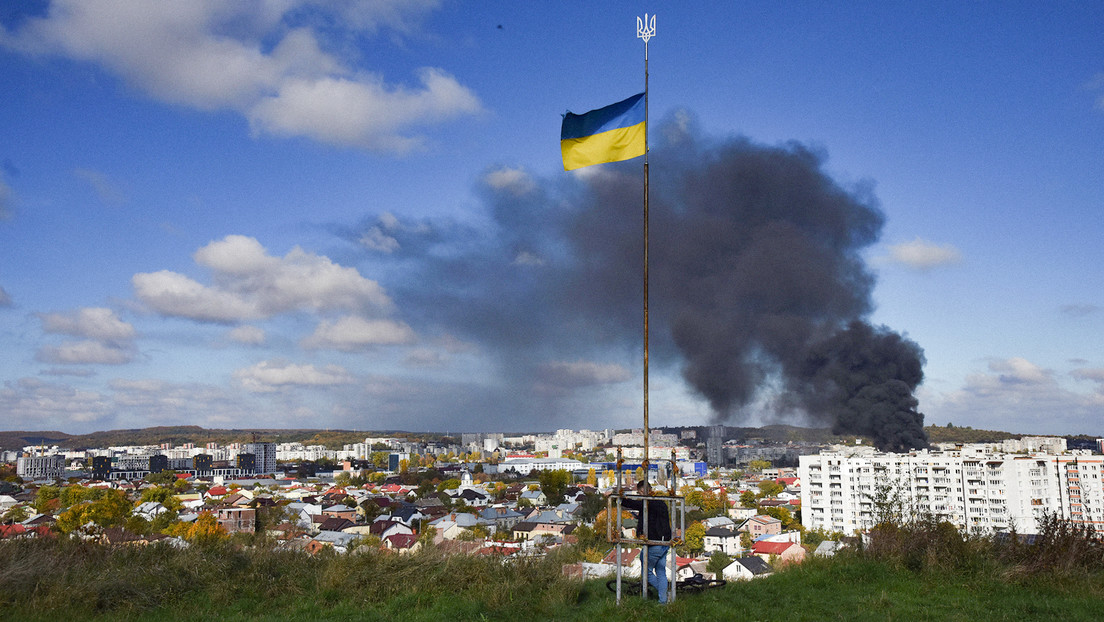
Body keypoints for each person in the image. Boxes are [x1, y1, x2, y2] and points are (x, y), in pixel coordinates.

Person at [621, 480, 672, 603]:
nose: (639, 496)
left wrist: (619, 498)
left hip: (654, 542)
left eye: (639, 493)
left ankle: (665, 595)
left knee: (646, 572)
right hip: (665, 542)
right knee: (661, 571)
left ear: (643, 491)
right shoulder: (661, 502)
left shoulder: (648, 503)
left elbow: (633, 504)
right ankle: (663, 601)